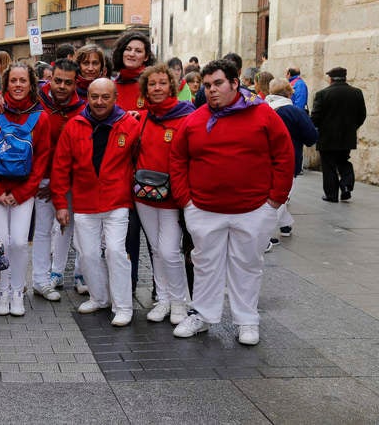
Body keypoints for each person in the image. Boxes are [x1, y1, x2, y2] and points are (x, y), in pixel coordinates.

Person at [170, 59, 293, 345]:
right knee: (204, 263)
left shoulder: (262, 114)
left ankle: (247, 320)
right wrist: (186, 201)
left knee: (247, 264)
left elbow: (284, 156)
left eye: (218, 84)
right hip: (203, 208)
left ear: (235, 83)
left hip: (253, 209)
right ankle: (202, 314)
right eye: (208, 85)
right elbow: (178, 158)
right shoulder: (194, 119)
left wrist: (274, 201)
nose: (212, 90)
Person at [51, 78, 140, 326]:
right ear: (87, 97)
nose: (99, 102)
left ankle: (123, 306)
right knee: (87, 253)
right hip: (84, 203)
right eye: (94, 97)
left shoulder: (130, 125)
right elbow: (60, 167)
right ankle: (99, 297)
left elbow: (138, 160)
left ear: (115, 98)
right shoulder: (74, 126)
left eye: (105, 97)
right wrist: (60, 203)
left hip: (117, 201)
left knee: (115, 252)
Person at [0, 62, 50, 317]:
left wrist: (21, 193)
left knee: (20, 242)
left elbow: (41, 159)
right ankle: (3, 292)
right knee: (1, 243)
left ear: (32, 84)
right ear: (5, 84)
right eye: (13, 81)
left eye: (23, 80)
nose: (18, 85)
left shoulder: (41, 117)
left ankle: (18, 291)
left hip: (23, 192)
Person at [134, 64, 195, 325]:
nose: (157, 88)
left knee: (170, 251)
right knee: (156, 250)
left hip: (172, 196)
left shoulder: (187, 115)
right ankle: (163, 299)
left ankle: (180, 302)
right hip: (144, 195)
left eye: (162, 83)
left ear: (171, 85)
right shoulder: (143, 116)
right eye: (152, 84)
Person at [32, 59, 85, 302]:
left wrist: (60, 184)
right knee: (43, 231)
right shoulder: (35, 101)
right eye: (58, 80)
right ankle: (40, 280)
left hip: (69, 180)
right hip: (41, 179)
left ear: (76, 84)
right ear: (50, 78)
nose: (62, 86)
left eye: (68, 82)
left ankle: (58, 273)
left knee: (66, 227)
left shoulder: (82, 108)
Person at [111, 32, 155, 291]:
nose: (132, 54)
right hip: (120, 169)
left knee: (156, 238)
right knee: (128, 234)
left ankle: (162, 290)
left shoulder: (153, 83)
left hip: (150, 168)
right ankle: (127, 286)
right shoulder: (112, 84)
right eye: (128, 49)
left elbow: (166, 111)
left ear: (146, 55)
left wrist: (141, 116)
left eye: (138, 50)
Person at [265, 78, 319, 237]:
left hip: (265, 159)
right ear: (289, 92)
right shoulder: (295, 112)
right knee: (282, 194)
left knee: (274, 193)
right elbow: (311, 137)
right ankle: (265, 234)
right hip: (289, 160)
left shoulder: (263, 109)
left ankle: (285, 225)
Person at [311, 67, 366, 202]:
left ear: (330, 79)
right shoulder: (356, 93)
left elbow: (315, 117)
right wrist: (352, 128)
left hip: (327, 137)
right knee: (344, 161)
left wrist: (318, 129)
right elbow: (362, 115)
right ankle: (346, 185)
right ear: (345, 77)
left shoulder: (322, 94)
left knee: (329, 165)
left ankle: (331, 195)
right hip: (347, 137)